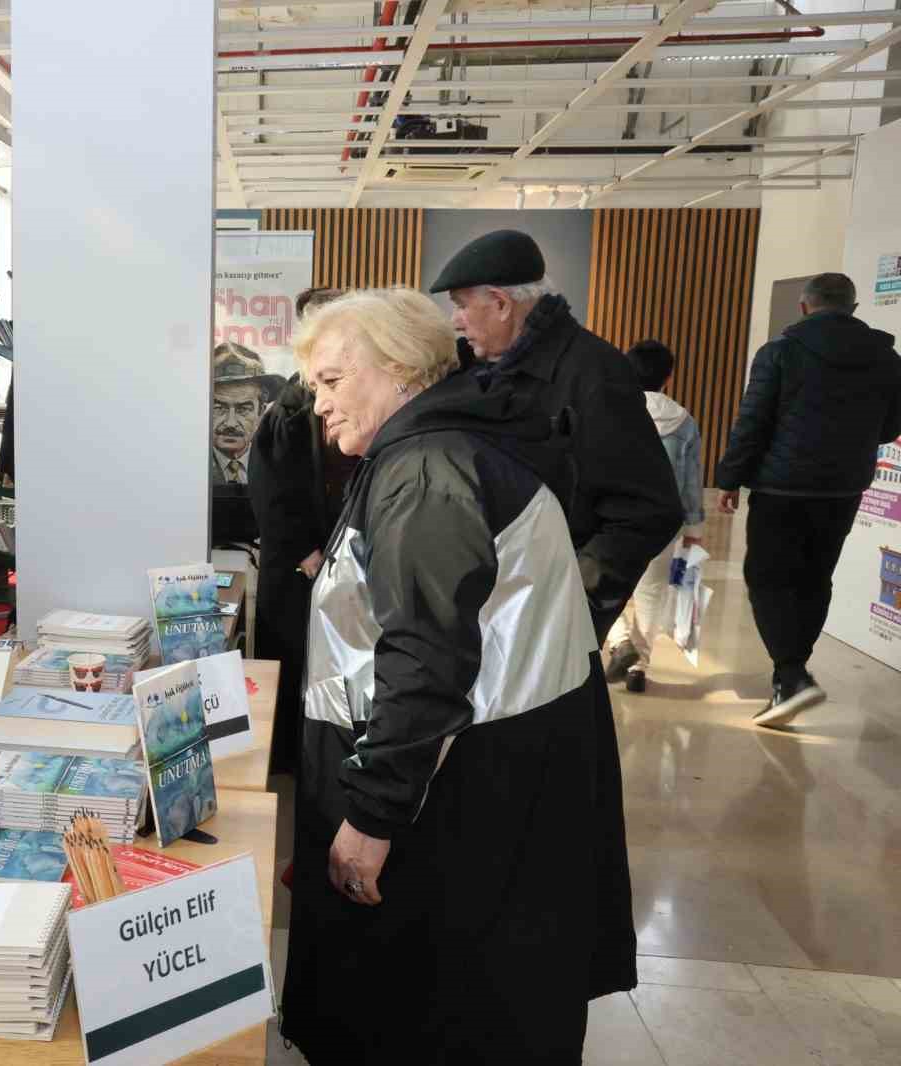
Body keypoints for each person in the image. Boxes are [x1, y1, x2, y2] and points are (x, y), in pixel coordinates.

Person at [281, 289, 636, 1064]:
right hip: (489, 771)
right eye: (314, 387)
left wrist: (369, 819)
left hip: (463, 793)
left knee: (438, 1012)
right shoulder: (448, 447)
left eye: (333, 382)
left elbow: (426, 658)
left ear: (403, 368)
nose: (320, 406)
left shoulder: (428, 470)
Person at [431, 229, 684, 641]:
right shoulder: (481, 372)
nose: (455, 320)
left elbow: (647, 510)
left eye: (460, 306)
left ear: (500, 303)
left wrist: (571, 604)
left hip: (544, 625)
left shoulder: (594, 374)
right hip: (492, 612)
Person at [715, 272, 901, 727]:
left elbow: (753, 420)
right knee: (816, 578)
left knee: (766, 577)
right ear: (854, 309)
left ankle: (792, 673)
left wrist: (729, 478)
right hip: (843, 488)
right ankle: (790, 676)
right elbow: (890, 426)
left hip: (782, 486)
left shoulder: (780, 352)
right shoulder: (889, 359)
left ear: (804, 306)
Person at [248, 286, 349, 775]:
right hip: (299, 569)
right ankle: (287, 759)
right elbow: (271, 495)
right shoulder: (287, 409)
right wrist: (305, 551)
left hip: (338, 567)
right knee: (289, 665)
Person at [604, 340, 706, 693]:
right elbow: (692, 479)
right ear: (668, 376)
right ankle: (639, 669)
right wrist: (694, 527)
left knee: (603, 583)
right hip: (664, 521)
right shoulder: (684, 421)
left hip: (612, 517)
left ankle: (619, 642)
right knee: (650, 593)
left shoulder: (612, 411)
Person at [209, 341, 285, 486]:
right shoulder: (190, 465)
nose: (230, 423)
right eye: (219, 408)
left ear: (261, 412)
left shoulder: (280, 468)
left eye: (243, 409)